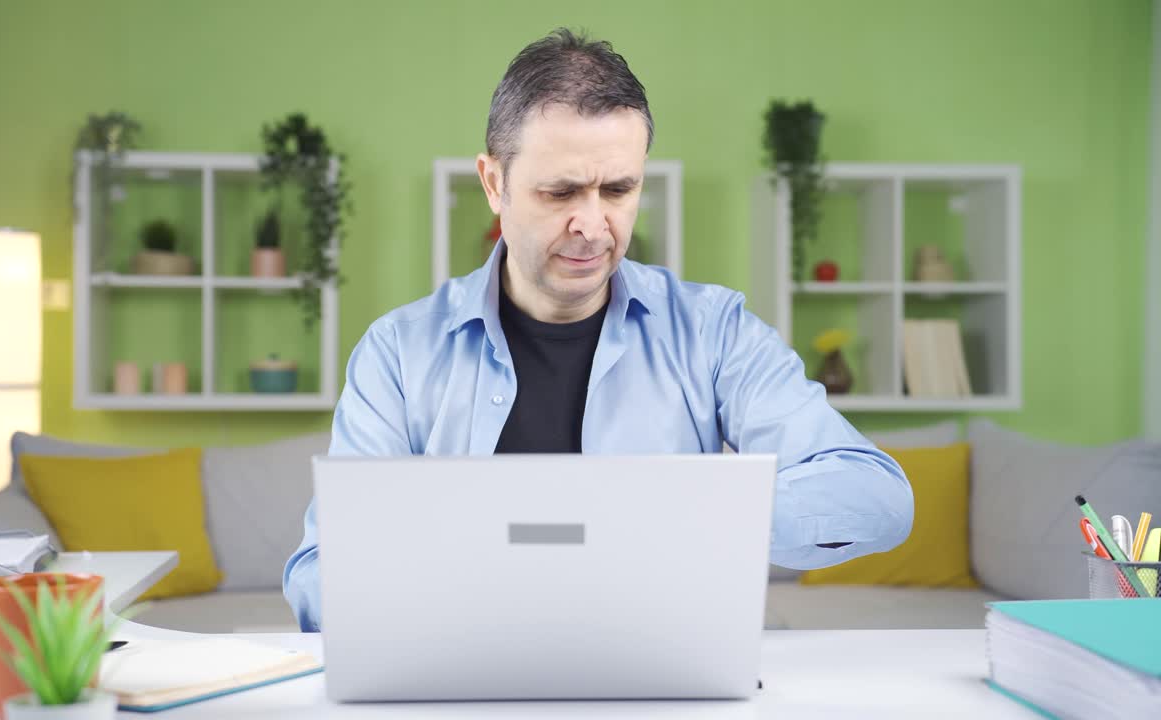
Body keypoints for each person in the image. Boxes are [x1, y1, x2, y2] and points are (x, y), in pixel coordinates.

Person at [284, 28, 913, 632]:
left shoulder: (715, 333)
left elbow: (878, 495)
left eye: (618, 189)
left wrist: (690, 517)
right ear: (494, 183)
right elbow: (319, 578)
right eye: (560, 192)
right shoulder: (398, 353)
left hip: (660, 678)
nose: (593, 225)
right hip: (460, 679)